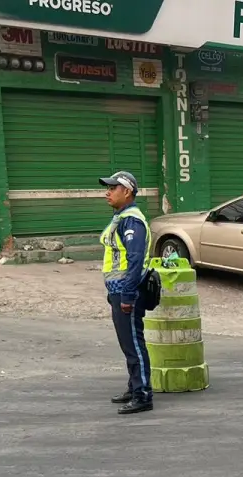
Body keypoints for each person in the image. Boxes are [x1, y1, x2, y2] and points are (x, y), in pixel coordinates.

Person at [99, 170, 154, 415]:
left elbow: (134, 260)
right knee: (127, 343)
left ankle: (143, 395)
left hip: (128, 292)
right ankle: (134, 387)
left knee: (133, 344)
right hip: (118, 291)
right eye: (107, 188)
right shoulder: (120, 218)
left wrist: (128, 296)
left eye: (113, 188)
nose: (107, 193)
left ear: (127, 191)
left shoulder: (132, 221)